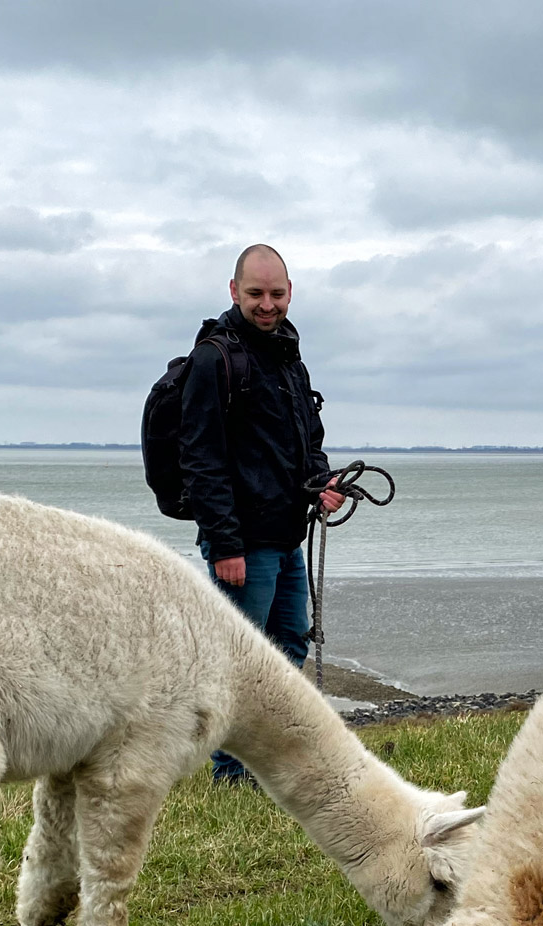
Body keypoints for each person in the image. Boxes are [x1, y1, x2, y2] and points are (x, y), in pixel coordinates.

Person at [179, 243, 343, 786]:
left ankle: (263, 757)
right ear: (234, 292)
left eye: (276, 294)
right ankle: (229, 772)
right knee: (241, 660)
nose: (267, 304)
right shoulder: (215, 359)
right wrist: (224, 543)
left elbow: (305, 441)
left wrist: (321, 484)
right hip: (242, 542)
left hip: (284, 532)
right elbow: (200, 459)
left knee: (290, 641)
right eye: (255, 294)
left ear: (290, 293)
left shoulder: (288, 355)